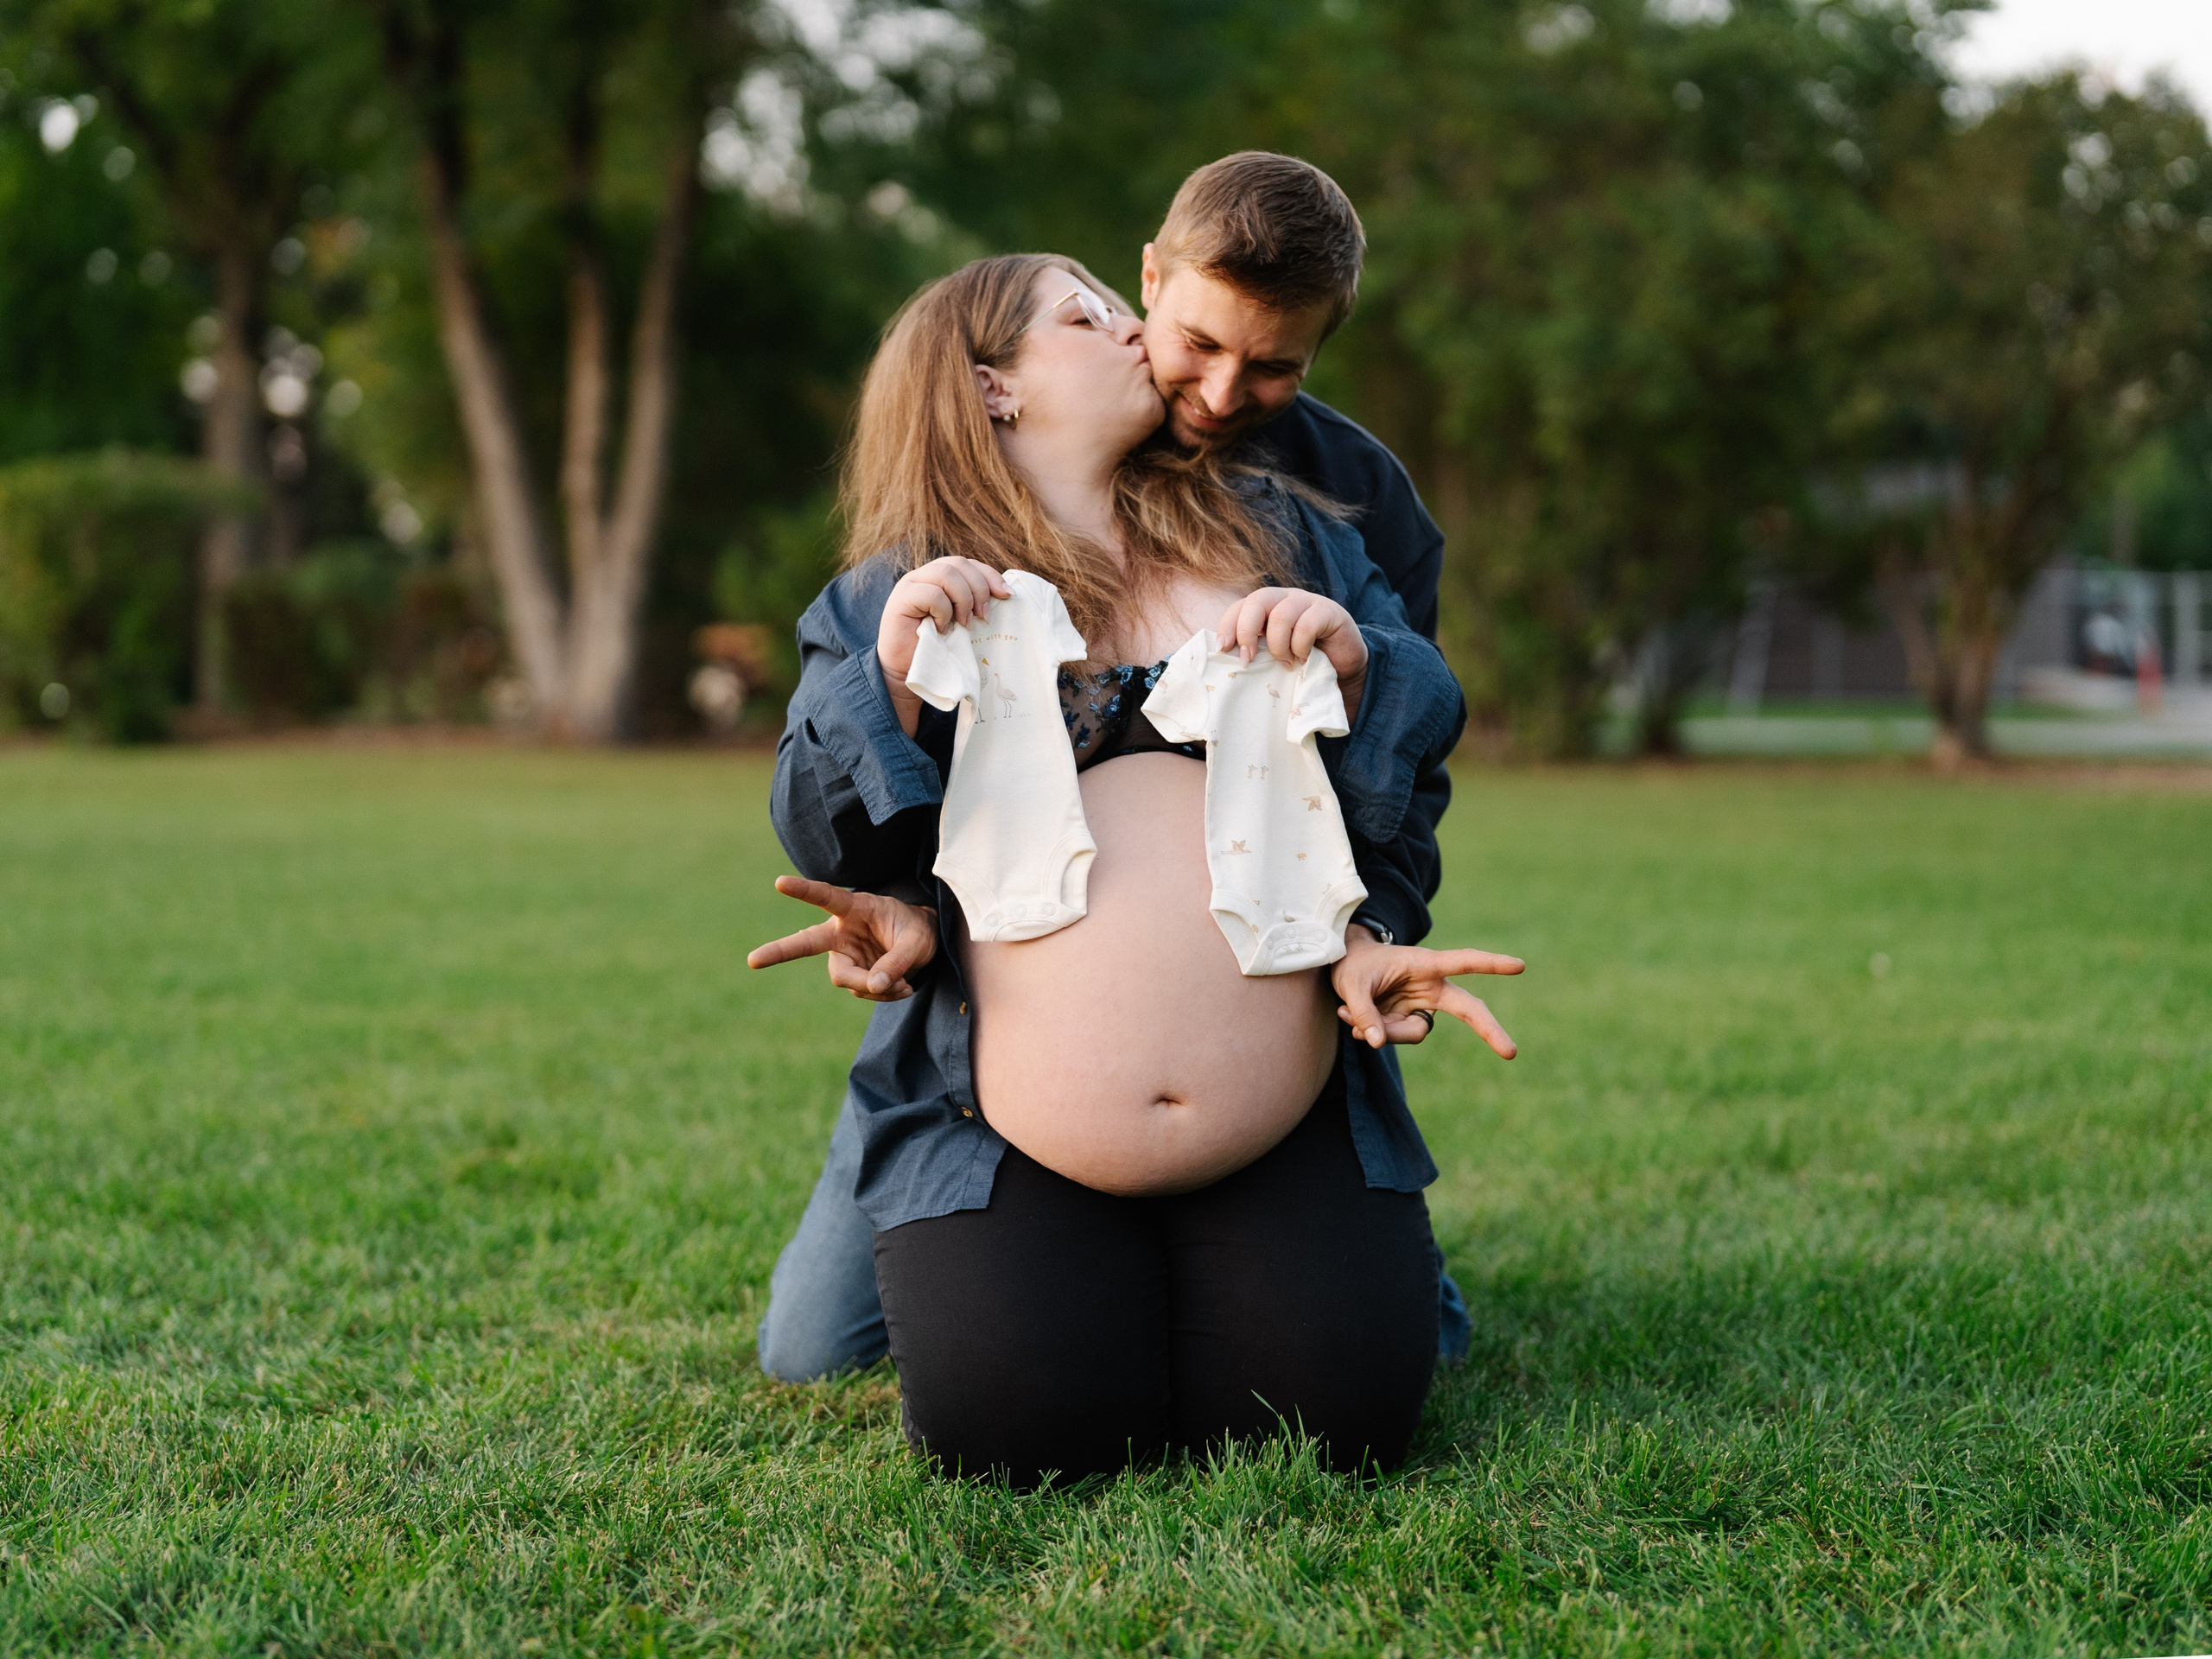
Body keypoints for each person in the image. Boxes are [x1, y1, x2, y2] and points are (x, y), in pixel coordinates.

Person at [753, 248, 1522, 1485]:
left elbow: (1411, 758)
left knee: (1342, 1425)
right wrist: (892, 672)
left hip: (1277, 1101)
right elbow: (822, 830)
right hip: (993, 1092)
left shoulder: (1282, 524)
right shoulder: (901, 585)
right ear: (994, 386)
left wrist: (1360, 666)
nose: (1139, 336)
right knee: (987, 1417)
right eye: (1089, 315)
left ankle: (1323, 1253)